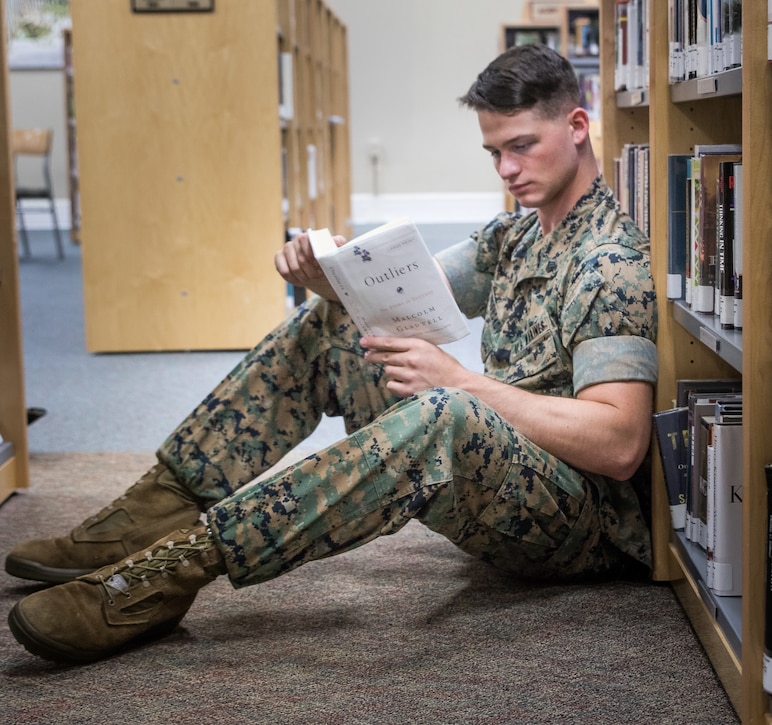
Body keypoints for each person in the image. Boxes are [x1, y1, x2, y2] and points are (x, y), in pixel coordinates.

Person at [4, 43, 658, 665]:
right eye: (494, 153)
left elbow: (620, 440)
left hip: (576, 523)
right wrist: (330, 276)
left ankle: (175, 570)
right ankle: (153, 513)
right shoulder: (518, 233)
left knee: (445, 412)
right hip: (510, 478)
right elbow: (404, 297)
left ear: (576, 126)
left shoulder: (609, 261)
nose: (508, 170)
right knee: (338, 326)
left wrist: (463, 383)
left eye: (522, 147)